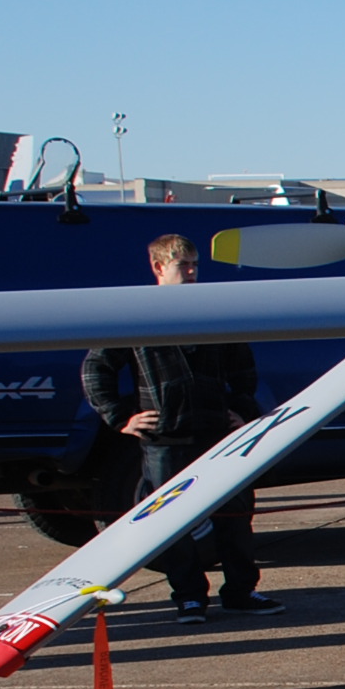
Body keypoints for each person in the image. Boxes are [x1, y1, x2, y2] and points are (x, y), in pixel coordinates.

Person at [81, 234, 279, 619]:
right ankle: (189, 596)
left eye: (194, 265)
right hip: (165, 439)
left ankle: (241, 591)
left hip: (218, 435)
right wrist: (120, 417)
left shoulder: (213, 313)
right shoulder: (137, 316)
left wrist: (241, 408)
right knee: (171, 522)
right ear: (158, 268)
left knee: (236, 517)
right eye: (182, 265)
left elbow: (243, 366)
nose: (191, 273)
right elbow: (96, 368)